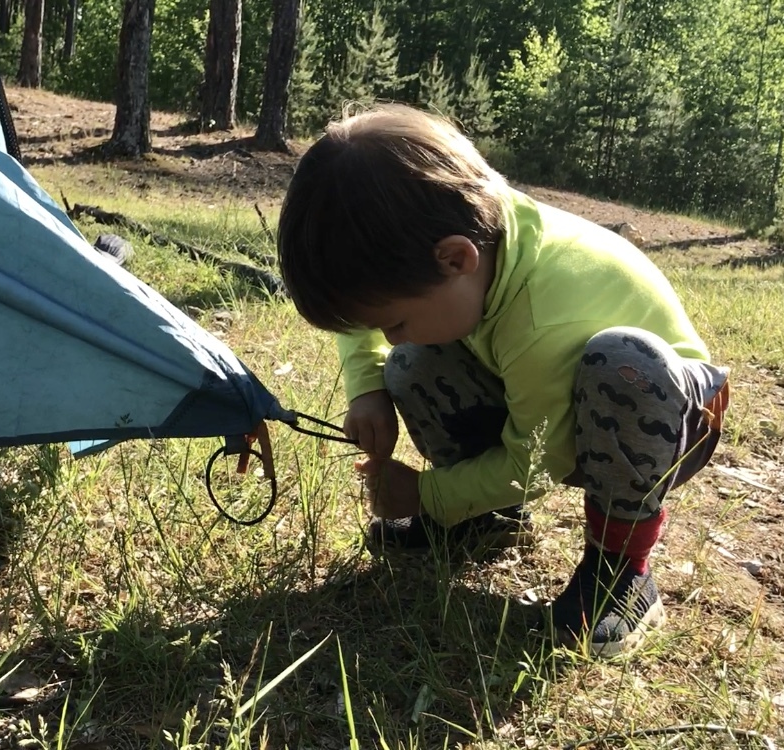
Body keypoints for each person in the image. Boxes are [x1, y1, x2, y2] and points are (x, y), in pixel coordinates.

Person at [275, 104, 730, 657]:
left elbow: (539, 460)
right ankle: (484, 519)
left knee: (622, 365)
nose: (389, 335)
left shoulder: (543, 314)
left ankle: (621, 573)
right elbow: (374, 306)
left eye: (392, 322)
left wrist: (425, 494)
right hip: (545, 392)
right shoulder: (472, 241)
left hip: (665, 414)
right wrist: (368, 386)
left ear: (454, 260)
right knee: (410, 364)